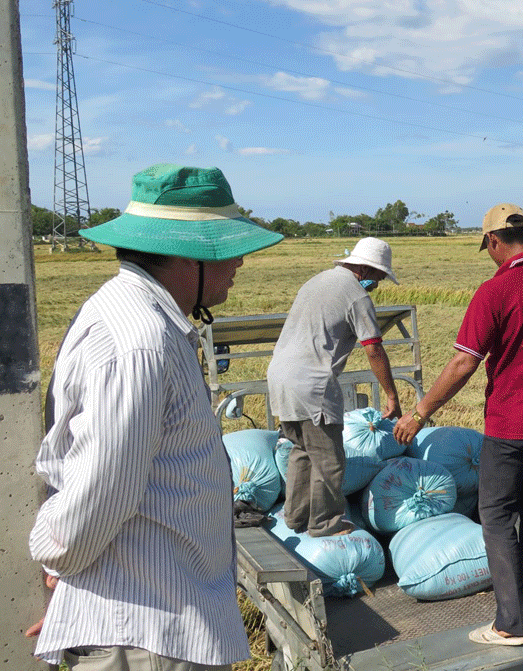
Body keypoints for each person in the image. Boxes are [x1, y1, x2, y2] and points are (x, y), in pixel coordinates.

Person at [27, 164, 284, 670]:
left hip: (154, 622)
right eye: (229, 250)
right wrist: (56, 558)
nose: (238, 266)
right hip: (147, 633)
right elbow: (104, 489)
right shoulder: (141, 342)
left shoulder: (140, 320)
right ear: (189, 254)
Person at [393, 203, 523, 646]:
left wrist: (420, 411)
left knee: (496, 516)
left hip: (511, 426)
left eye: (487, 246)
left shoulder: (494, 291)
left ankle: (510, 624)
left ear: (495, 242)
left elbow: (464, 362)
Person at [267, 237, 402, 537]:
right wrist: (392, 395)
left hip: (279, 377)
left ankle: (296, 518)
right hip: (310, 383)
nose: (378, 283)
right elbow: (373, 348)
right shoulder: (356, 295)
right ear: (366, 270)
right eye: (379, 276)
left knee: (303, 450)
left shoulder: (318, 281)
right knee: (330, 458)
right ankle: (324, 524)